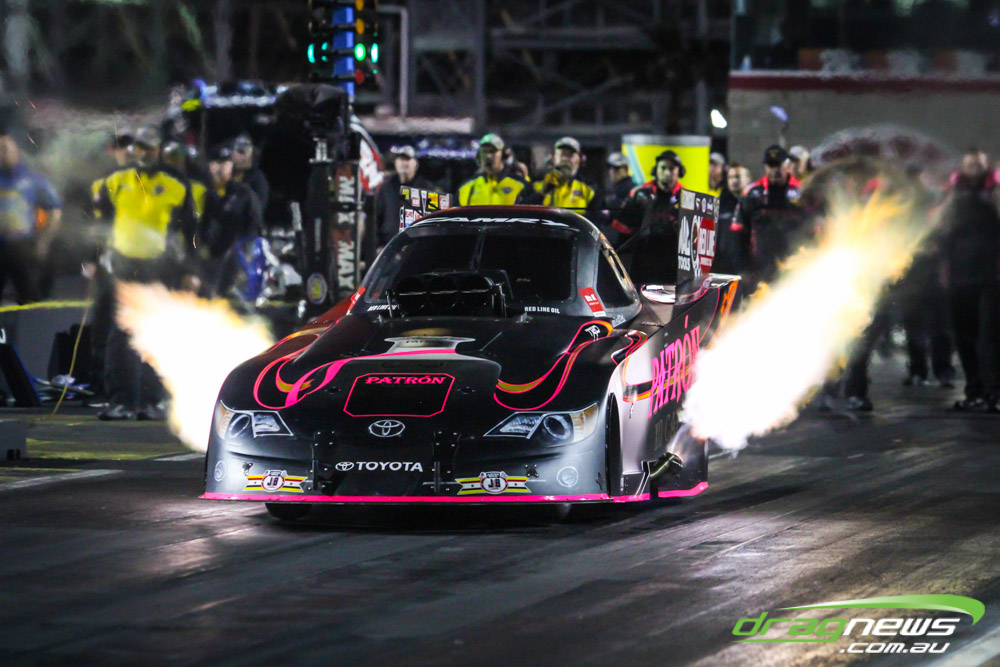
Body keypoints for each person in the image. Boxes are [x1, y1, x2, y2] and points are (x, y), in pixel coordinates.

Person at [91, 124, 195, 420]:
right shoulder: (116, 180)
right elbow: (100, 225)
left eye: (149, 147)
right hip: (123, 265)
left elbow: (190, 231)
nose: (143, 152)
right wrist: (95, 260)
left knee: (156, 330)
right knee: (121, 333)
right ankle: (122, 401)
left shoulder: (175, 182)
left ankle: (153, 400)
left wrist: (191, 269)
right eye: (139, 146)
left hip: (161, 268)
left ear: (159, 149)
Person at [940, 149, 1000, 411]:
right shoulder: (954, 194)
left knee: (990, 337)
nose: (974, 168)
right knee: (964, 336)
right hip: (960, 275)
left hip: (991, 276)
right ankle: (974, 391)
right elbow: (940, 227)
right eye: (969, 164)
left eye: (978, 164)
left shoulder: (994, 192)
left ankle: (994, 392)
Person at [732, 144, 806, 292]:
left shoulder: (802, 191)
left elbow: (813, 227)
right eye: (771, 166)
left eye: (778, 165)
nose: (775, 170)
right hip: (759, 271)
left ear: (787, 165)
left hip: (795, 271)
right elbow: (738, 233)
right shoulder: (752, 193)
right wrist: (743, 269)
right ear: (765, 167)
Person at [0, 135, 62, 305]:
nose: (3, 154)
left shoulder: (31, 179)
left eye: (6, 150)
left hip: (23, 248)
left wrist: (43, 240)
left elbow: (54, 209)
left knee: (30, 299)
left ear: (16, 152)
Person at [197, 145, 265, 300]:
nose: (220, 168)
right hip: (213, 259)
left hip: (238, 261)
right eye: (216, 163)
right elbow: (203, 228)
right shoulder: (209, 196)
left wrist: (246, 258)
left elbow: (255, 227)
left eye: (225, 162)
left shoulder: (243, 194)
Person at [616, 150, 686, 285]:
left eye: (672, 168)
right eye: (663, 168)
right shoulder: (639, 194)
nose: (667, 173)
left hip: (673, 267)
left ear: (679, 171)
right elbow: (623, 231)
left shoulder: (686, 198)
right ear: (656, 170)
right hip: (642, 264)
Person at [372, 145, 433, 256]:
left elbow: (432, 224)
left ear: (416, 164)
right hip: (389, 249)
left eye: (407, 159)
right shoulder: (386, 188)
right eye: (400, 159)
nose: (404, 163)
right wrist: (378, 245)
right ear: (395, 163)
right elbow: (376, 218)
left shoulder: (427, 189)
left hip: (416, 251)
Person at [533, 137, 601, 218]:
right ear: (553, 158)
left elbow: (599, 220)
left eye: (570, 155)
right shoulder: (536, 185)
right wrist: (542, 193)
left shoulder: (590, 189)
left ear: (580, 159)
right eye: (561, 154)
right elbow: (525, 212)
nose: (565, 159)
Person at [456, 134, 532, 206]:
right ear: (479, 155)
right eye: (484, 151)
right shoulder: (467, 187)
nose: (488, 156)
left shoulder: (521, 185)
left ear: (504, 155)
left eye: (492, 151)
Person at [714, 162, 750, 274]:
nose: (734, 181)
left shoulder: (754, 204)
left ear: (748, 179)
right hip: (724, 268)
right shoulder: (721, 205)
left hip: (747, 269)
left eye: (737, 176)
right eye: (730, 177)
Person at [232, 133, 270, 216]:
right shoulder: (223, 175)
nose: (245, 156)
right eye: (240, 151)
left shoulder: (258, 179)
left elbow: (258, 210)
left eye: (248, 151)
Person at [602, 152, 634, 240]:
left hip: (624, 239)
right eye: (609, 167)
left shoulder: (631, 190)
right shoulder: (613, 189)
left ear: (625, 169)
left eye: (616, 168)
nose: (611, 171)